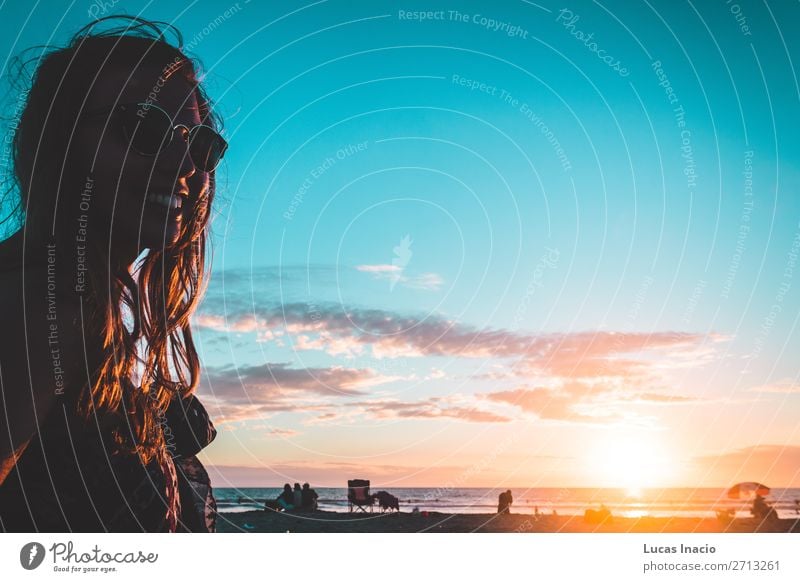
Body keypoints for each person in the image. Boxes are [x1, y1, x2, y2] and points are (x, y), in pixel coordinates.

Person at [0, 16, 227, 532]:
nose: (186, 165)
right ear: (58, 143)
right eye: (143, 128)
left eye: (200, 146)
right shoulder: (38, 308)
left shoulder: (92, 319)